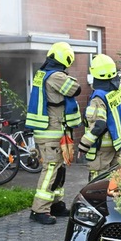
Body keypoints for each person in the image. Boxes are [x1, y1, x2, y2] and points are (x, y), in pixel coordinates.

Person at [26, 42, 83, 225]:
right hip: (51, 130)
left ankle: (55, 205)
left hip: (50, 130)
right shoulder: (56, 76)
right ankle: (39, 210)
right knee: (51, 169)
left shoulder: (43, 73)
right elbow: (76, 89)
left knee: (59, 169)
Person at [77, 54, 121, 174]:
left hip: (104, 145)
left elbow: (99, 125)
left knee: (99, 180)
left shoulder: (98, 97)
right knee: (116, 179)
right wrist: (119, 76)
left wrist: (84, 145)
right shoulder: (120, 87)